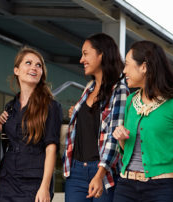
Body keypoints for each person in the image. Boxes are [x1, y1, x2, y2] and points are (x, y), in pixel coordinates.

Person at [112, 41, 173, 202]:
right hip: (125, 186)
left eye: (128, 65)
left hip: (161, 188)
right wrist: (121, 139)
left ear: (144, 67)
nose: (124, 71)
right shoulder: (131, 101)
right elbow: (126, 151)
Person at [63, 33, 129, 202]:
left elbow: (114, 137)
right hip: (76, 171)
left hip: (103, 172)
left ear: (101, 54)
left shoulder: (119, 90)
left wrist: (100, 175)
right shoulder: (89, 88)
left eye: (86, 54)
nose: (81, 59)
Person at [0, 47, 63, 202]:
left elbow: (51, 149)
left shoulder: (51, 106)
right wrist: (0, 125)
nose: (34, 67)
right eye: (28, 63)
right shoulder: (10, 107)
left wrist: (45, 186)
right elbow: (9, 141)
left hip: (34, 182)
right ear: (17, 70)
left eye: (38, 65)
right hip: (8, 180)